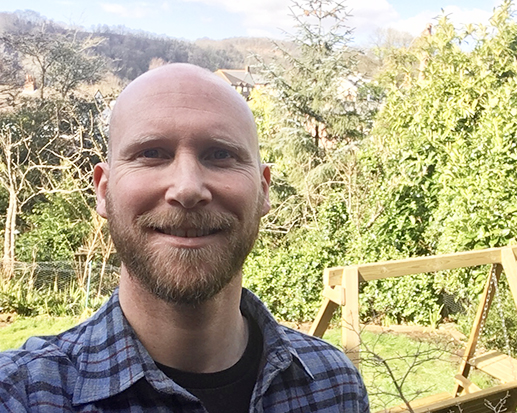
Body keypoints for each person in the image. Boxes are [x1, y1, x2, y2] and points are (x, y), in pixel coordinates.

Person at [0, 63, 369, 413]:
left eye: (220, 154)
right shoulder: (22, 395)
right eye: (152, 154)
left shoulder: (333, 385)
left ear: (263, 189)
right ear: (103, 190)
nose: (188, 189)